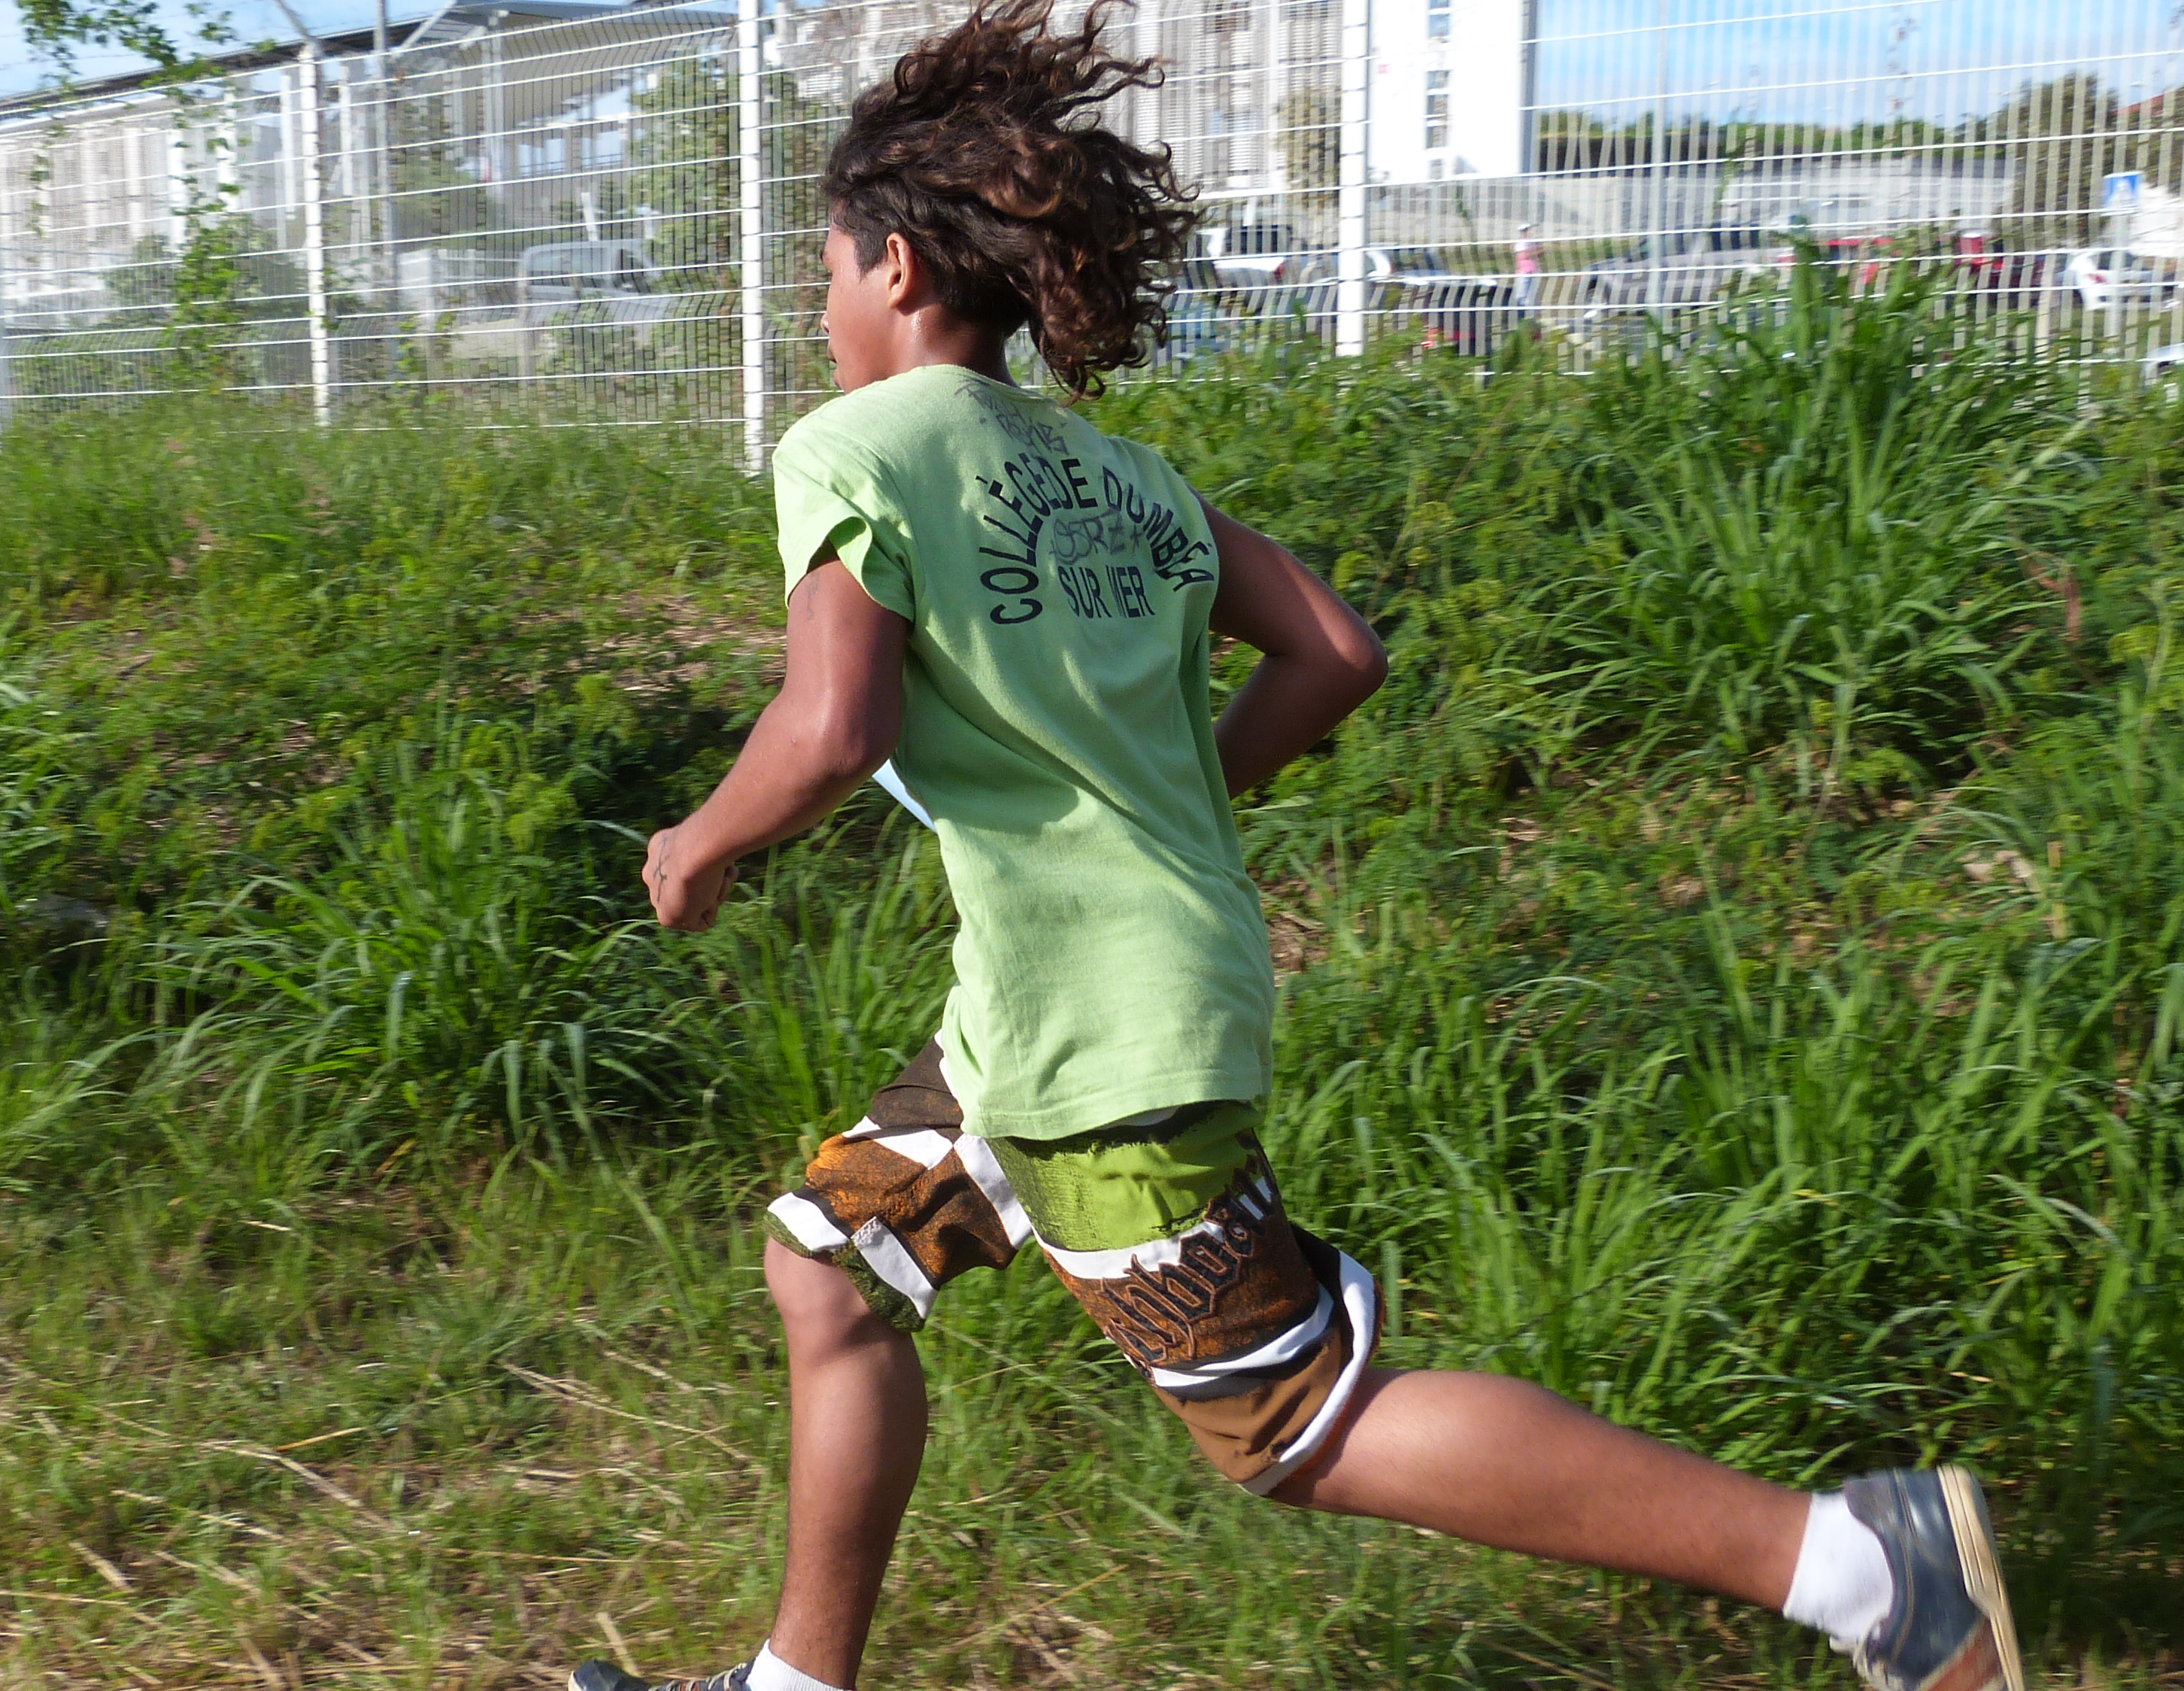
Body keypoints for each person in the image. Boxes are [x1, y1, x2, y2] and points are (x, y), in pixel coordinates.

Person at [579, 6, 2026, 1690]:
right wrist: (1170, 799)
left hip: (1099, 1048)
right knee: (827, 1268)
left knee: (1295, 1421)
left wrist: (698, 846)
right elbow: (1335, 648)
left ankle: (1862, 1566)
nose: (819, 308)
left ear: (891, 268)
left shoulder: (852, 447)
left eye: (825, 272)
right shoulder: (1118, 472)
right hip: (1036, 1016)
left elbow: (833, 724)